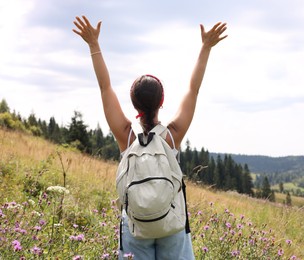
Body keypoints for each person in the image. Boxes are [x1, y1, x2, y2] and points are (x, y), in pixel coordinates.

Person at [72, 15, 227, 259]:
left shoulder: (127, 136)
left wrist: (94, 45)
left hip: (136, 224)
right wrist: (206, 47)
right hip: (172, 222)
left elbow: (105, 87)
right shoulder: (172, 136)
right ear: (162, 102)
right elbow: (193, 89)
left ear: (134, 104)